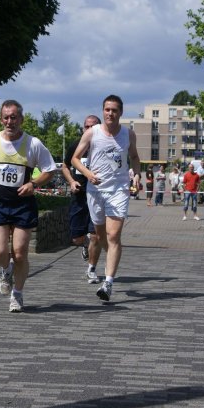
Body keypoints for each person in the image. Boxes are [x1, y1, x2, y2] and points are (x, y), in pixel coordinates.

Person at [0, 99, 56, 312]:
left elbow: (50, 169)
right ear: (1, 119)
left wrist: (34, 183)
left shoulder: (33, 144)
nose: (10, 121)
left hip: (23, 205)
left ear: (22, 119)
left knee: (20, 253)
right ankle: (6, 268)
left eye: (14, 117)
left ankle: (17, 294)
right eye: (6, 117)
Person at [71, 94, 140, 302]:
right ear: (103, 111)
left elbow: (135, 157)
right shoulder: (92, 133)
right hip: (96, 191)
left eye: (115, 110)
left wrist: (136, 175)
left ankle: (108, 282)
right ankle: (103, 261)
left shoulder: (128, 134)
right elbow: (75, 159)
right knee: (100, 236)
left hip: (118, 190)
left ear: (121, 113)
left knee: (113, 236)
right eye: (107, 110)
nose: (111, 113)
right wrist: (88, 173)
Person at [62, 114, 105, 284]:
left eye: (93, 126)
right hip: (79, 197)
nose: (90, 130)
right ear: (83, 129)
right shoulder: (76, 145)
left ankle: (91, 269)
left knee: (96, 236)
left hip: (98, 196)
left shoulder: (105, 146)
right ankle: (85, 245)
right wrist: (72, 181)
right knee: (77, 238)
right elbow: (65, 166)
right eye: (87, 127)